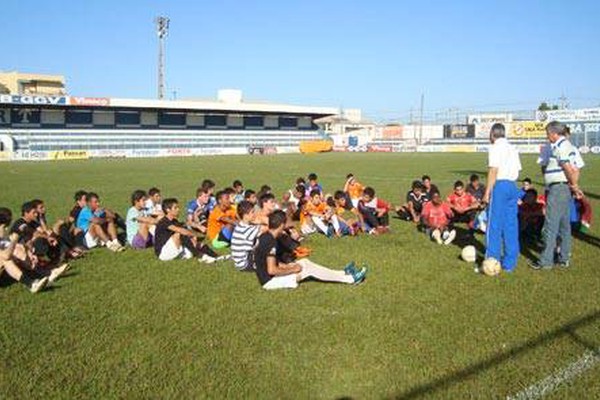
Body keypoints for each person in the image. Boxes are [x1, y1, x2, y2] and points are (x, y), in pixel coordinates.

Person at [253, 210, 367, 290]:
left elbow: (271, 263)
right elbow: (272, 270)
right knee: (307, 270)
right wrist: (292, 270)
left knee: (304, 262)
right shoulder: (271, 241)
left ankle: (343, 273)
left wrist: (288, 266)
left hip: (270, 277)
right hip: (270, 282)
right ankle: (350, 279)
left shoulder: (266, 236)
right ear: (282, 225)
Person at [531, 121, 582, 270]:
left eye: (548, 133)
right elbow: (576, 168)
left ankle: (546, 261)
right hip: (564, 188)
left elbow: (566, 166)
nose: (547, 137)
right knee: (564, 225)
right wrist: (573, 185)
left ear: (554, 133)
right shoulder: (570, 146)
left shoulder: (559, 146)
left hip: (558, 188)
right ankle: (564, 257)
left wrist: (574, 185)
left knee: (551, 225)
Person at [482, 123, 522, 272]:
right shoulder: (513, 148)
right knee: (511, 224)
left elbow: (493, 170)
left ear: (493, 134)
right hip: (512, 185)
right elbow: (517, 169)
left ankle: (492, 259)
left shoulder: (494, 147)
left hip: (500, 186)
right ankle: (510, 262)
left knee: (494, 224)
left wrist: (487, 193)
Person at [154, 198, 221, 263]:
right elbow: (181, 231)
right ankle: (199, 256)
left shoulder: (174, 221)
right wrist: (194, 235)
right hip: (163, 253)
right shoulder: (163, 222)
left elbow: (186, 224)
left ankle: (217, 257)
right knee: (180, 233)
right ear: (168, 210)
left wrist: (196, 228)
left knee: (198, 244)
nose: (178, 209)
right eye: (175, 208)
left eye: (178, 207)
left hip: (174, 249)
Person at [230, 201, 264, 271]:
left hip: (240, 262)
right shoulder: (247, 229)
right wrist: (261, 221)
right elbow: (267, 227)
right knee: (268, 238)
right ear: (245, 215)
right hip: (246, 264)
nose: (254, 214)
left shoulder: (241, 225)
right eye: (252, 212)